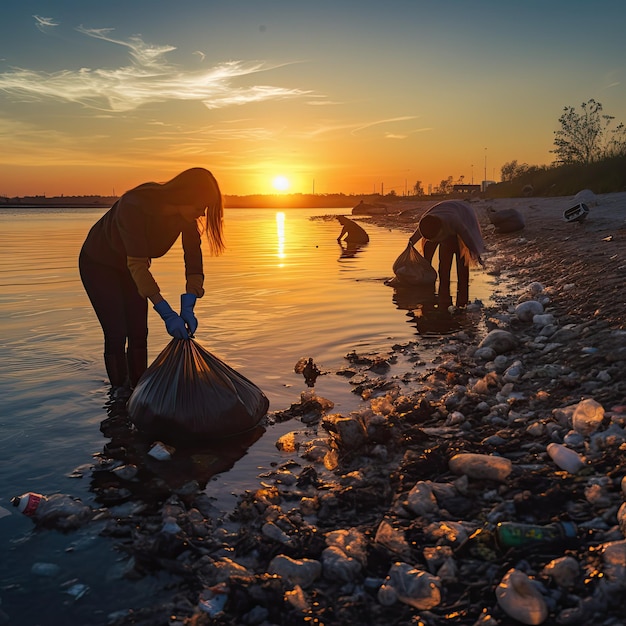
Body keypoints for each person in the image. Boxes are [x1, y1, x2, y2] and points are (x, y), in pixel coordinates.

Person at [79, 167, 225, 399]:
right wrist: (166, 312)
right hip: (99, 264)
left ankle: (138, 388)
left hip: (132, 269)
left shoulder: (185, 218)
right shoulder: (134, 205)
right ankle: (119, 393)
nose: (203, 214)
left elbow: (193, 258)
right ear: (184, 197)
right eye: (200, 207)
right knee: (117, 332)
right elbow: (137, 264)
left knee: (139, 331)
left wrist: (190, 301)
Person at [408, 200, 484, 308]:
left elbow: (467, 237)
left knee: (461, 264)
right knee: (444, 266)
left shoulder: (455, 222)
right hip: (442, 216)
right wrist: (410, 242)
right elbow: (418, 233)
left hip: (463, 214)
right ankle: (443, 301)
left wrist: (476, 252)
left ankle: (462, 304)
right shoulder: (426, 222)